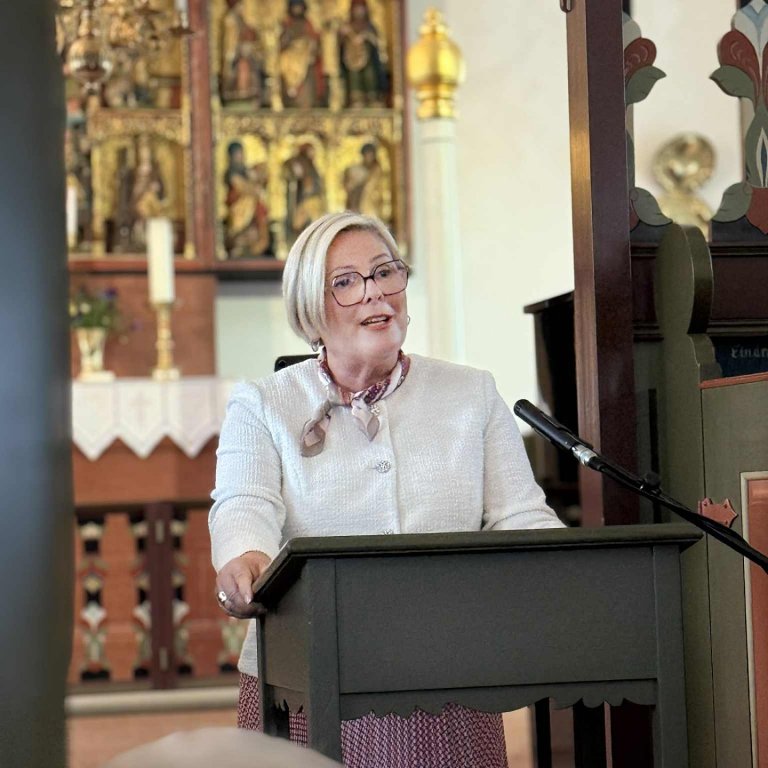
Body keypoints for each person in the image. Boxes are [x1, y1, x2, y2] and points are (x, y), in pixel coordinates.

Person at [209, 211, 564, 768]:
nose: (375, 293)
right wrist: (245, 556)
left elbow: (521, 515)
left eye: (385, 272)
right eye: (346, 283)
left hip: (446, 676)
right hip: (309, 675)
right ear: (310, 309)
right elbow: (243, 504)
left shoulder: (472, 394)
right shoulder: (263, 404)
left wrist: (572, 567)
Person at [224, 141, 271, 259]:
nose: (240, 156)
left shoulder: (246, 170)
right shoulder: (231, 172)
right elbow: (241, 187)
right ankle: (239, 244)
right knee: (240, 227)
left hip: (252, 206)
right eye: (237, 154)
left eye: (241, 153)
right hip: (239, 207)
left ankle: (257, 244)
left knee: (259, 218)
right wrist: (252, 187)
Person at [339, 0, 387, 107]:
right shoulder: (348, 26)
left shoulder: (369, 26)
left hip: (369, 59)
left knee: (370, 75)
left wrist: (365, 36)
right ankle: (356, 99)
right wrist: (343, 34)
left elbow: (377, 42)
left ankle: (372, 97)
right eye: (357, 9)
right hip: (352, 59)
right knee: (354, 77)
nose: (359, 12)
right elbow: (340, 44)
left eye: (361, 9)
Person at [279, 0, 326, 108]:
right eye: (295, 7)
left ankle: (306, 102)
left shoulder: (308, 23)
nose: (297, 10)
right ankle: (291, 98)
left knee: (308, 73)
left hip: (306, 56)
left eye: (299, 7)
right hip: (290, 58)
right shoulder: (287, 24)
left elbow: (315, 39)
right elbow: (282, 42)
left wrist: (310, 47)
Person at [282, 142, 325, 246]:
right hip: (304, 200)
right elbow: (295, 174)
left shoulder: (312, 165)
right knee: (299, 222)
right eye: (311, 151)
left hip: (313, 199)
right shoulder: (300, 162)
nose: (313, 154)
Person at [342, 142, 388, 220]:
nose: (368, 157)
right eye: (367, 155)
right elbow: (350, 187)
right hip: (358, 204)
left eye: (370, 155)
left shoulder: (376, 170)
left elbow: (373, 186)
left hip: (370, 203)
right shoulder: (359, 169)